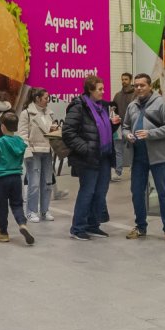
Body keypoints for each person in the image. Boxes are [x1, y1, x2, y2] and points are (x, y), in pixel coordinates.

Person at [63, 75, 120, 240]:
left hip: (104, 156)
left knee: (100, 193)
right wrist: (86, 148)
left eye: (103, 88)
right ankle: (78, 228)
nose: (103, 92)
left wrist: (113, 124)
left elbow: (101, 130)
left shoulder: (102, 107)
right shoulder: (78, 107)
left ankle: (93, 225)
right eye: (100, 89)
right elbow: (68, 133)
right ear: (90, 90)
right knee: (87, 192)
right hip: (88, 158)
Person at [124, 74, 165, 242]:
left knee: (163, 193)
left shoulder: (162, 104)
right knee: (136, 193)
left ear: (150, 87)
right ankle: (140, 227)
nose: (139, 88)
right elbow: (125, 126)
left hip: (158, 156)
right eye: (136, 86)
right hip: (138, 157)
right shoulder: (132, 105)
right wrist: (127, 135)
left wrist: (151, 133)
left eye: (142, 85)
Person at [0, 113, 34, 245]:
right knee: (17, 204)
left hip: (2, 178)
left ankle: (3, 232)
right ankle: (22, 224)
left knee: (2, 206)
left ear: (2, 127)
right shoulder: (20, 142)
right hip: (16, 177)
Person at [21, 88, 60, 223]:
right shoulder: (26, 113)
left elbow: (52, 132)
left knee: (47, 184)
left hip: (47, 152)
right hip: (33, 153)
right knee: (34, 184)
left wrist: (55, 132)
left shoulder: (49, 113)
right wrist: (27, 152)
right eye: (45, 98)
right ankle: (31, 211)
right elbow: (23, 135)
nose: (47, 100)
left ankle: (45, 210)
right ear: (37, 98)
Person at [110, 72, 135, 181]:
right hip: (119, 128)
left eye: (126, 79)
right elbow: (113, 110)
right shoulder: (117, 95)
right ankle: (118, 172)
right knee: (118, 150)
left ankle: (134, 171)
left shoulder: (136, 94)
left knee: (133, 150)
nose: (123, 81)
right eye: (122, 79)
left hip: (132, 127)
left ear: (130, 80)